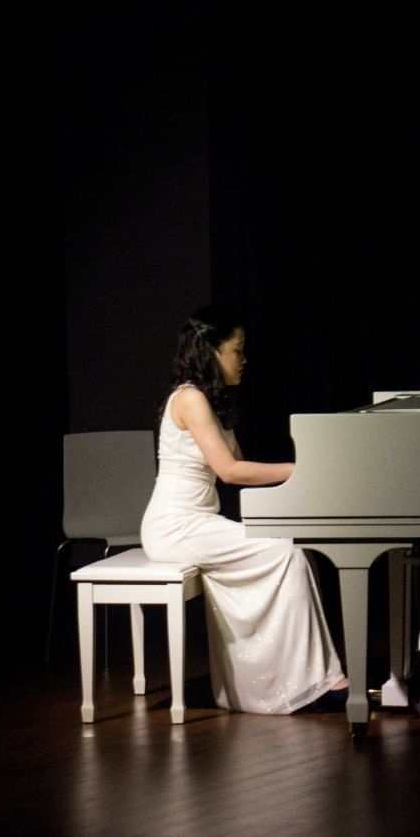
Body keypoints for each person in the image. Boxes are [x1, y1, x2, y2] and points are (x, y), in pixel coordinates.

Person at [141, 305, 348, 714]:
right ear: (212, 352)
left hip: (199, 522)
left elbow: (235, 470)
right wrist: (301, 469)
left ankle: (297, 679)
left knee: (289, 550)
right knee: (287, 554)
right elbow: (230, 471)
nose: (244, 358)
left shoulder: (209, 401)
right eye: (237, 350)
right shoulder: (189, 398)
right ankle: (313, 682)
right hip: (175, 526)